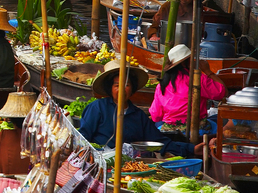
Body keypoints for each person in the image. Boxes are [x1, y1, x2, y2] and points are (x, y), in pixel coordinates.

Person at [78, 60, 208, 156]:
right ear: (110, 88)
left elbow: (160, 141)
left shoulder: (138, 116)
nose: (122, 89)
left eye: (126, 84)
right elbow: (82, 138)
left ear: (132, 88)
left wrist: (191, 149)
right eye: (117, 85)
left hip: (130, 167)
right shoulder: (97, 108)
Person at [149, 44, 227, 133]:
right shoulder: (197, 79)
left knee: (158, 123)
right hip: (196, 129)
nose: (194, 61)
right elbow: (222, 92)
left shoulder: (161, 85)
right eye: (192, 59)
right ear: (185, 62)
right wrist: (207, 71)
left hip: (169, 130)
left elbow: (155, 116)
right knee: (221, 119)